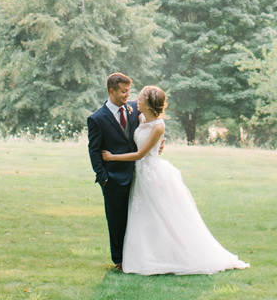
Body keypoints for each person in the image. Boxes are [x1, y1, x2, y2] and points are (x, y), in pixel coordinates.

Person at [101, 85, 249, 275]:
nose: (135, 101)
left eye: (139, 98)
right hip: (141, 174)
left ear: (147, 102)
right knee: (145, 216)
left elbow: (140, 154)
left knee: (162, 215)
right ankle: (148, 255)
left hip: (152, 174)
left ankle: (172, 256)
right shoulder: (141, 117)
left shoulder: (158, 126)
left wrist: (111, 157)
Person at [87, 72, 138, 270]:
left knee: (137, 217)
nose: (127, 95)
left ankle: (137, 255)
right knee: (116, 220)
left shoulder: (134, 108)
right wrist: (103, 178)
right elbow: (93, 150)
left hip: (137, 174)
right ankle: (119, 260)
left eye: (128, 91)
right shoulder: (97, 119)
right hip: (113, 178)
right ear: (111, 91)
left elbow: (152, 125)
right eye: (123, 92)